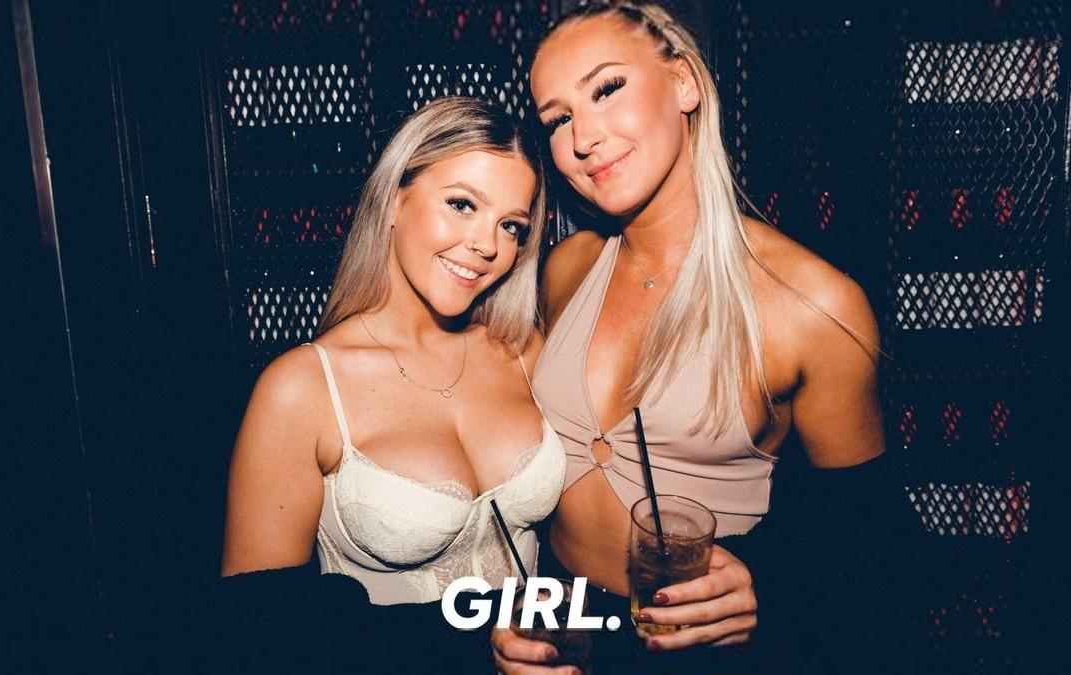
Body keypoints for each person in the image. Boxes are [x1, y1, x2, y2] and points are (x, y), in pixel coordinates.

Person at [493, 2, 915, 673]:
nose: (584, 137)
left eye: (607, 89)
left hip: (700, 653)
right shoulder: (566, 269)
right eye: (558, 119)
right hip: (569, 636)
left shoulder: (814, 306)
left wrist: (768, 593)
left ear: (684, 82)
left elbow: (872, 554)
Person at [221, 96, 565, 672]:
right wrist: (472, 646)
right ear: (393, 201)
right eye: (462, 204)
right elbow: (259, 627)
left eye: (511, 226)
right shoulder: (303, 388)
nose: (487, 245)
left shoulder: (524, 352)